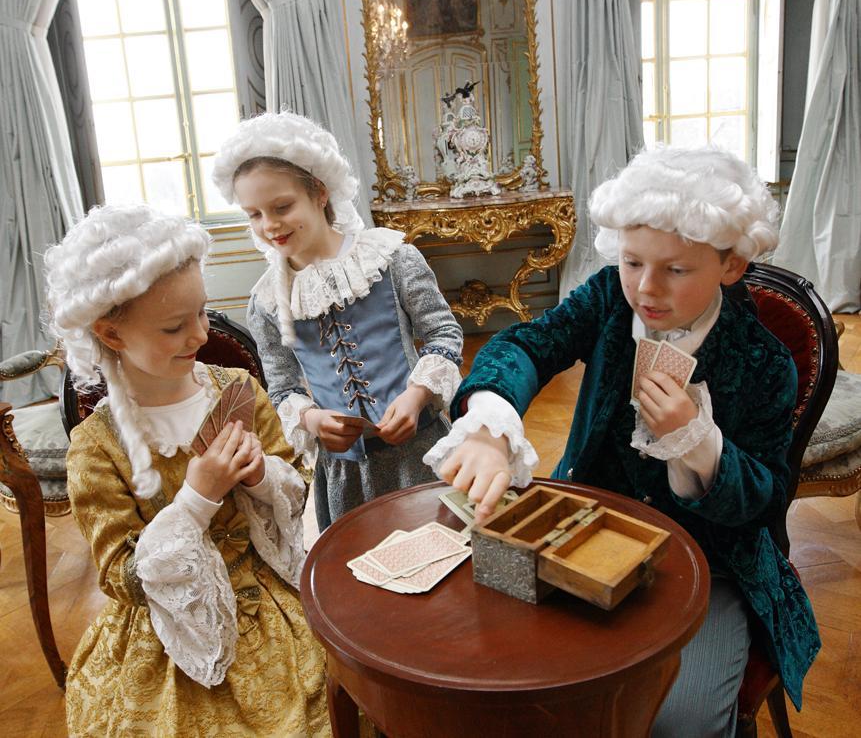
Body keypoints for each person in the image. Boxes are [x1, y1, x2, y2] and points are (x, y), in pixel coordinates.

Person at [424, 146, 820, 737]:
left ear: (730, 266)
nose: (646, 288)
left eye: (676, 270)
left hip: (710, 565)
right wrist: (488, 423)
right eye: (633, 261)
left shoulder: (763, 361)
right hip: (582, 526)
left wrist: (698, 444)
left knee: (679, 724)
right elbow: (527, 345)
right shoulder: (609, 298)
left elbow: (766, 498)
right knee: (498, 671)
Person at [47, 204, 330, 737]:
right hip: (176, 628)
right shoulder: (95, 448)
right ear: (111, 335)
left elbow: (298, 496)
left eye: (203, 312)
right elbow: (121, 578)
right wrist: (196, 500)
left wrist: (260, 477)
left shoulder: (238, 391)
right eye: (176, 326)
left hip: (271, 596)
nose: (200, 334)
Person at [211, 111, 463, 531]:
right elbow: (283, 387)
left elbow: (443, 333)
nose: (269, 225)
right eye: (254, 214)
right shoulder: (267, 302)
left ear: (320, 193)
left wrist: (418, 393)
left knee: (439, 554)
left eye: (282, 206)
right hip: (346, 473)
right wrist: (311, 420)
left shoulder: (392, 259)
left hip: (420, 451)